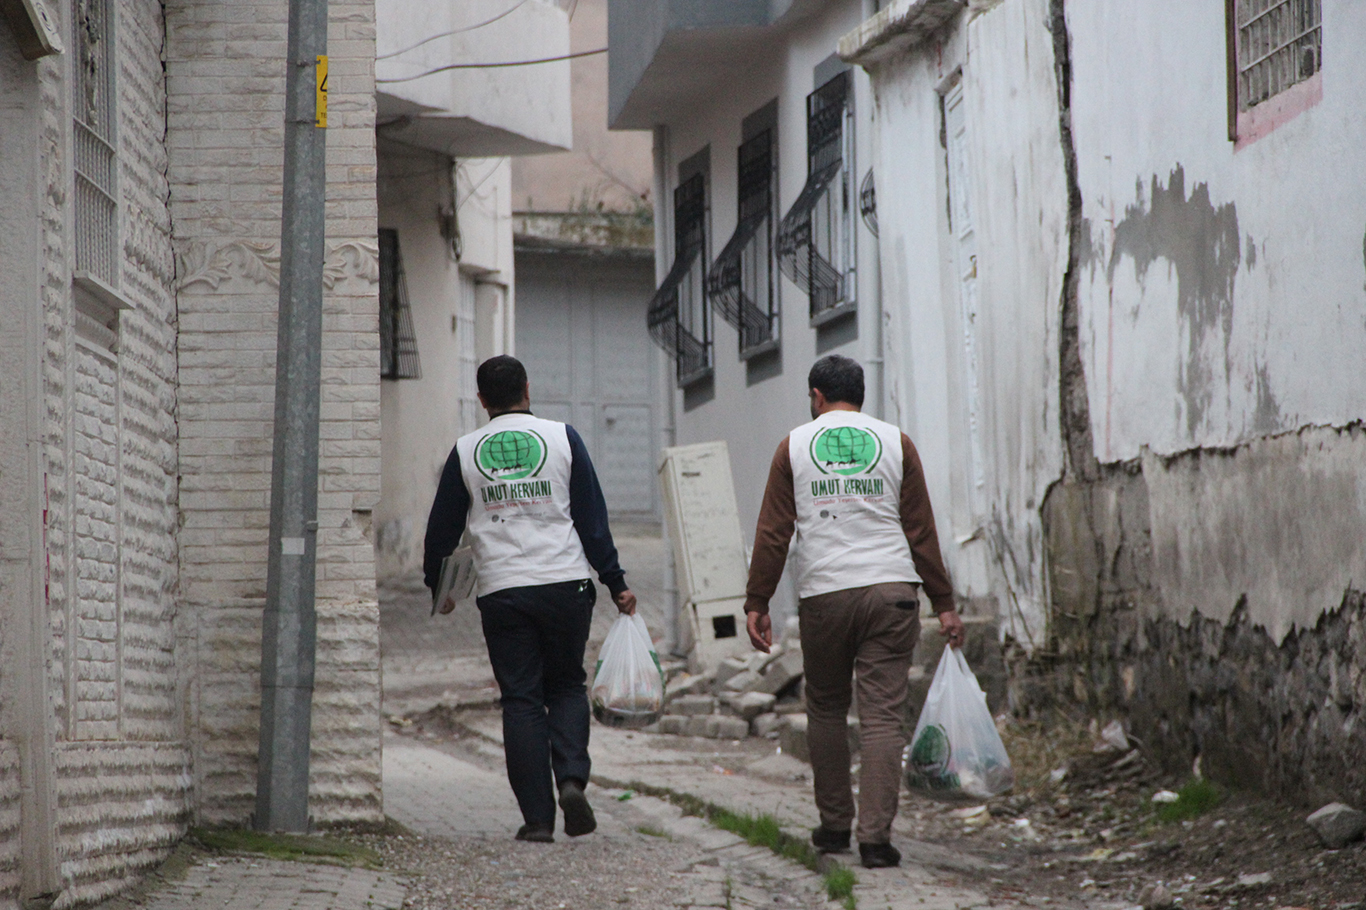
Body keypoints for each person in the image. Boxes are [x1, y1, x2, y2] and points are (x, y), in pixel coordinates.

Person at [743, 354, 964, 869]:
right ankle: (876, 840)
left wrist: (758, 601)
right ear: (860, 396)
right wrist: (945, 603)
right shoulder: (897, 442)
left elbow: (774, 533)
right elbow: (921, 530)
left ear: (817, 397)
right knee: (882, 716)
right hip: (892, 592)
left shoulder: (794, 446)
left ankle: (835, 825)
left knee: (824, 708)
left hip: (826, 595)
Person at [424, 355, 637, 843]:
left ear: (481, 400)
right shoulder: (564, 438)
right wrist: (616, 581)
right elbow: (591, 519)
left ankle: (538, 821)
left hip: (503, 592)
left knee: (521, 699)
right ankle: (571, 780)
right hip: (566, 585)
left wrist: (437, 586)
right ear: (527, 387)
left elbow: (441, 531)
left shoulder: (466, 450)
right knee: (565, 686)